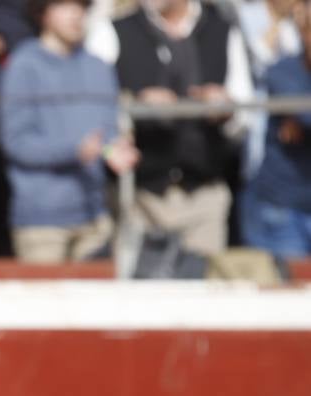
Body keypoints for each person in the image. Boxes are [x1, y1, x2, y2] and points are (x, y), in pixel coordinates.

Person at [87, 0, 254, 257]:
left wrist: (224, 109)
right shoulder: (113, 30)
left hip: (205, 192)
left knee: (203, 291)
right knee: (140, 292)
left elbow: (245, 117)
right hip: (139, 196)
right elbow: (93, 112)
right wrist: (134, 105)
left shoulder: (222, 29)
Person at [0, 0, 139, 262]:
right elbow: (16, 142)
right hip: (42, 224)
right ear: (42, 13)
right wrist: (74, 151)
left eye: (81, 7)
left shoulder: (98, 67)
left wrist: (114, 151)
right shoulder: (24, 65)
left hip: (95, 220)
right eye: (65, 6)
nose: (76, 14)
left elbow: (105, 136)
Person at [242, 0, 311, 257]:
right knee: (283, 292)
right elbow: (305, 116)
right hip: (281, 208)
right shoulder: (283, 70)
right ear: (304, 33)